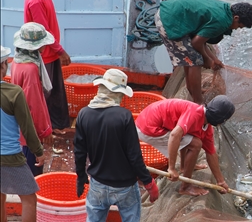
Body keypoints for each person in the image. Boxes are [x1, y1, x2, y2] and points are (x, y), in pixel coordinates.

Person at [74, 69, 159, 222]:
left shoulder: (83, 114)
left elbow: (79, 151)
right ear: (118, 93)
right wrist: (148, 182)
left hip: (98, 184)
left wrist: (81, 176)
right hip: (125, 186)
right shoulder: (124, 116)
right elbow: (134, 156)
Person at [155, 0, 252, 104]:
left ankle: (192, 90)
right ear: (236, 18)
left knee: (190, 56)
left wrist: (214, 59)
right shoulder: (222, 21)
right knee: (196, 60)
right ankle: (199, 102)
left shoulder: (225, 10)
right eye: (239, 26)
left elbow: (201, 41)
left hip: (170, 13)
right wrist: (207, 59)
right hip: (168, 20)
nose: (236, 29)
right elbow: (196, 43)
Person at [135, 95, 235, 196]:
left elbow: (211, 153)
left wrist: (221, 181)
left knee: (189, 136)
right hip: (148, 127)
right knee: (196, 144)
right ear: (220, 121)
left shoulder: (206, 127)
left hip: (147, 120)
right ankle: (185, 187)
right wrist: (172, 168)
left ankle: (184, 167)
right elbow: (174, 135)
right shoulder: (195, 113)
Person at [0, 45, 45, 222]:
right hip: (10, 156)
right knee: (29, 198)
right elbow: (27, 127)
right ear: (3, 65)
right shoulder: (13, 93)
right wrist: (39, 152)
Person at [24, 0, 71, 135]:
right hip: (43, 55)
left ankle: (56, 125)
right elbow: (43, 32)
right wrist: (60, 51)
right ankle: (42, 130)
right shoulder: (35, 0)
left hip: (51, 53)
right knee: (45, 94)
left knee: (56, 92)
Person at [10, 22, 54, 177]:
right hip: (28, 133)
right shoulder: (31, 69)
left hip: (18, 127)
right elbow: (33, 105)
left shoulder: (17, 61)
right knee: (31, 179)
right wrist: (44, 130)